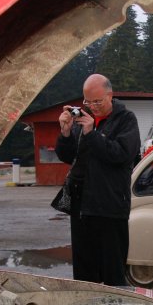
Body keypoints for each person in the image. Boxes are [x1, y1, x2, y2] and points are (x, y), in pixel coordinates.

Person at [56, 74, 140, 285]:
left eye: (97, 101)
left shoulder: (126, 119)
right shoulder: (82, 121)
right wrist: (65, 133)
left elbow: (121, 154)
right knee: (84, 276)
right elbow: (68, 157)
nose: (92, 106)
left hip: (110, 207)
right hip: (82, 207)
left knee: (113, 273)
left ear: (110, 96)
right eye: (87, 102)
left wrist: (92, 133)